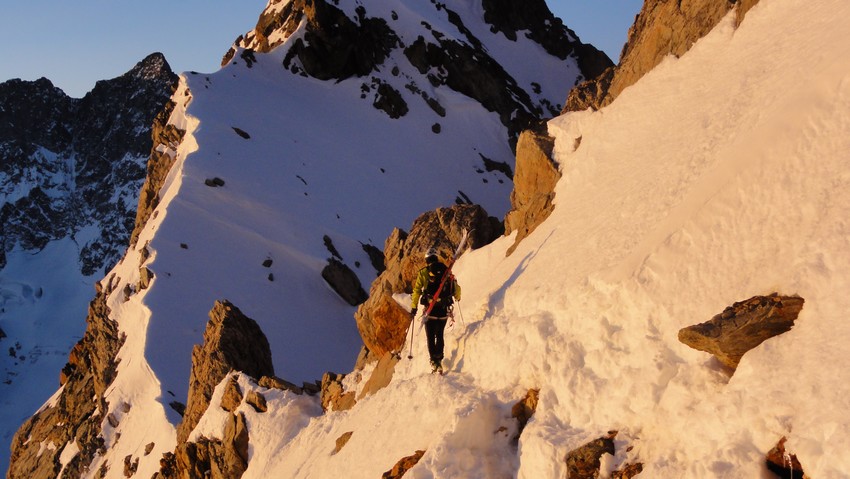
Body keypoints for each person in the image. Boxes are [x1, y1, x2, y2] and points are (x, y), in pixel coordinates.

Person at [410, 249, 461, 373]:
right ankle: (440, 359)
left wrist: (414, 307)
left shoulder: (424, 273)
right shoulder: (446, 272)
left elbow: (416, 291)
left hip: (430, 310)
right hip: (443, 310)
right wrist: (457, 298)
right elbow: (456, 288)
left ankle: (434, 361)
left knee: (431, 336)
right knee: (440, 335)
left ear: (427, 260)